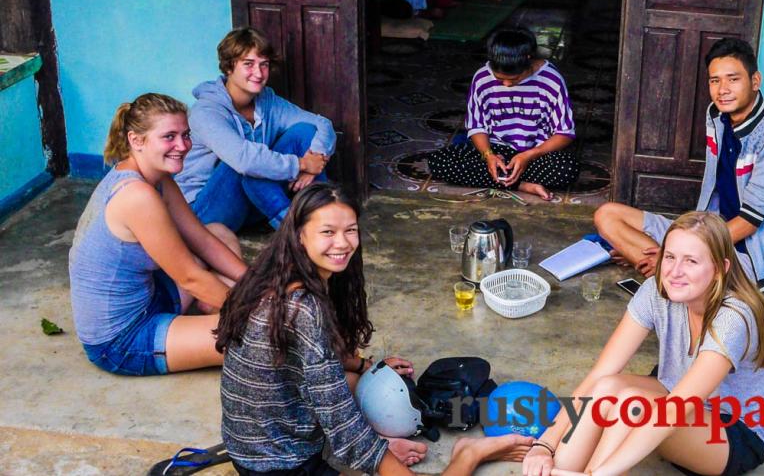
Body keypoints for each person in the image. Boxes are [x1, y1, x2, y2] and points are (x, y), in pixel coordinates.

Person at [215, 183, 533, 475]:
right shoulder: (301, 309)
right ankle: (468, 454)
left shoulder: (277, 274)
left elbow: (313, 360)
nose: (342, 243)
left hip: (255, 442)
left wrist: (365, 366)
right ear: (300, 235)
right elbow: (343, 427)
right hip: (277, 463)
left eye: (350, 230)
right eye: (328, 232)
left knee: (357, 381)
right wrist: (382, 455)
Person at [522, 212, 764, 476]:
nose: (675, 272)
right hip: (673, 393)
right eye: (670, 257)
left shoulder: (734, 316)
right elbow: (600, 373)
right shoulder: (656, 291)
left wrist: (598, 473)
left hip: (731, 430)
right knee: (607, 387)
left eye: (691, 261)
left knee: (631, 405)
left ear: (719, 268)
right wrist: (545, 444)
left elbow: (676, 408)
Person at [594, 37, 764, 298]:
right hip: (710, 232)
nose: (722, 89)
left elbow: (750, 221)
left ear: (755, 81)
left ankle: (667, 269)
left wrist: (681, 253)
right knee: (607, 215)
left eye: (733, 79)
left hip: (750, 256)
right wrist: (684, 249)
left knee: (703, 302)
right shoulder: (717, 115)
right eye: (715, 80)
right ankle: (669, 268)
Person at [69, 94, 247, 376]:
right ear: (136, 140)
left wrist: (257, 284)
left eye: (185, 135)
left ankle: (213, 305)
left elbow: (202, 240)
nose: (182, 146)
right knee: (264, 340)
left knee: (219, 232)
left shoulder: (157, 178)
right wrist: (262, 310)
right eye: (169, 137)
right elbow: (190, 277)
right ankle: (217, 311)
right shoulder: (136, 195)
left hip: (151, 297)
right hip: (122, 340)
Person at [176, 27, 337, 232]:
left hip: (252, 201)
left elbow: (322, 124)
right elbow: (246, 161)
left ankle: (326, 214)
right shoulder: (206, 112)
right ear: (228, 67)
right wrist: (302, 164)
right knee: (246, 164)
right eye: (248, 64)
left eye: (264, 65)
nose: (259, 73)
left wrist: (316, 162)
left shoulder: (267, 101)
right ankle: (295, 232)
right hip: (205, 212)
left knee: (303, 132)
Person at [428, 26, 580, 201]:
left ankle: (501, 178)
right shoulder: (482, 78)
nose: (506, 85)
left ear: (528, 59)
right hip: (496, 151)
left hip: (535, 153)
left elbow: (565, 133)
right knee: (439, 161)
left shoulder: (551, 80)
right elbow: (477, 126)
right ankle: (521, 185)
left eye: (514, 78)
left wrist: (528, 155)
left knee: (566, 169)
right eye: (500, 79)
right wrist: (488, 156)